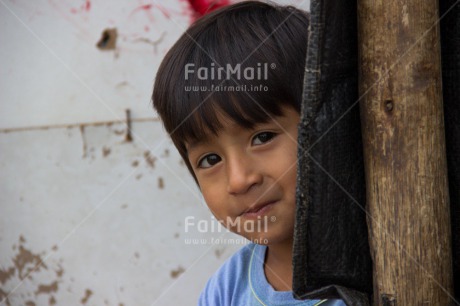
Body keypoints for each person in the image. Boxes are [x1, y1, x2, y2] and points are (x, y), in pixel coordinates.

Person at [152, 1, 346, 305]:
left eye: (263, 137)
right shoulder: (226, 291)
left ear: (326, 127)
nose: (240, 180)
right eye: (210, 160)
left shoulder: (384, 272)